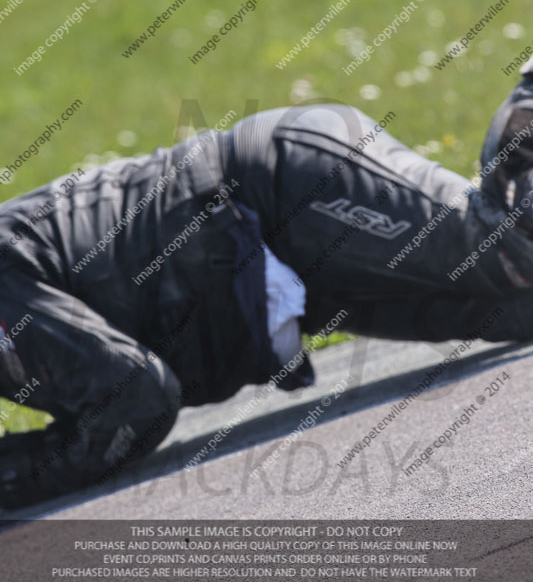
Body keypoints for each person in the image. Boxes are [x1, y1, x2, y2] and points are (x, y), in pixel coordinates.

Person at [1, 65, 533, 511]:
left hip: (276, 190)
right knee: (517, 310)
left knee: (511, 252)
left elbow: (134, 399)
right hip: (299, 285)